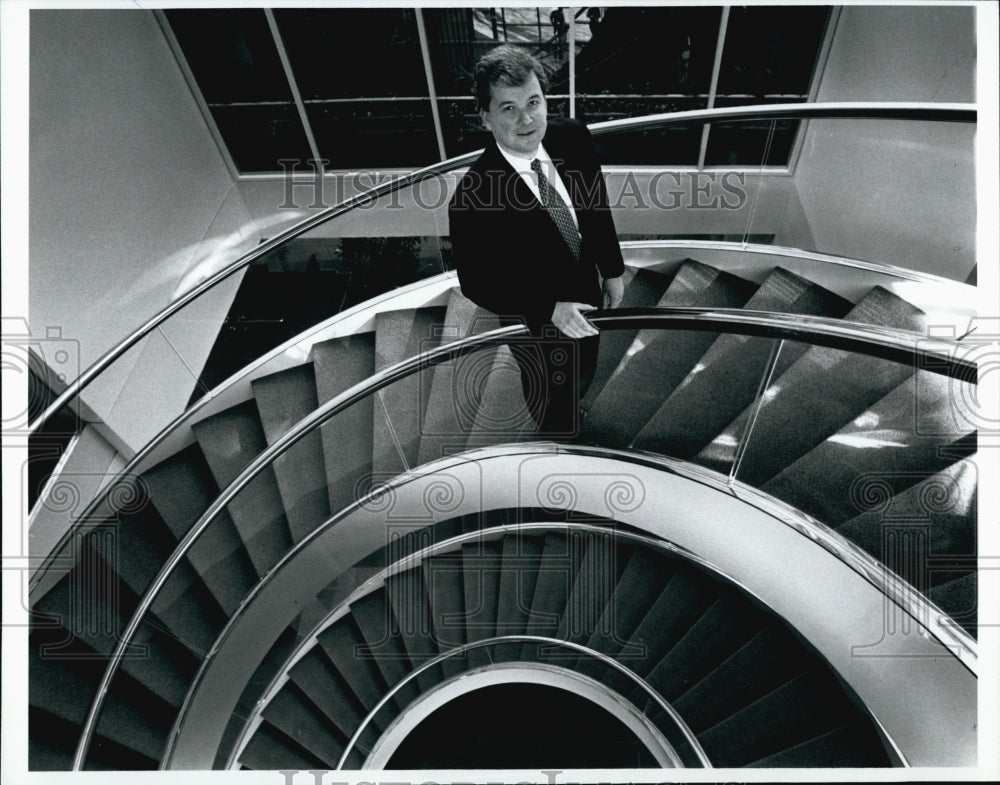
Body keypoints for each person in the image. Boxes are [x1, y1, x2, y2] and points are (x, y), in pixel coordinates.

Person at [449, 45, 624, 438]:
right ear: (486, 118)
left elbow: (595, 208)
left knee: (584, 366)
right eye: (508, 108)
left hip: (584, 287)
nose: (526, 119)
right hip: (533, 319)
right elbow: (476, 282)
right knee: (548, 387)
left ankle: (574, 404)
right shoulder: (472, 197)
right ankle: (554, 435)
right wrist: (549, 307)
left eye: (533, 102)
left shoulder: (573, 137)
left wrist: (612, 270)